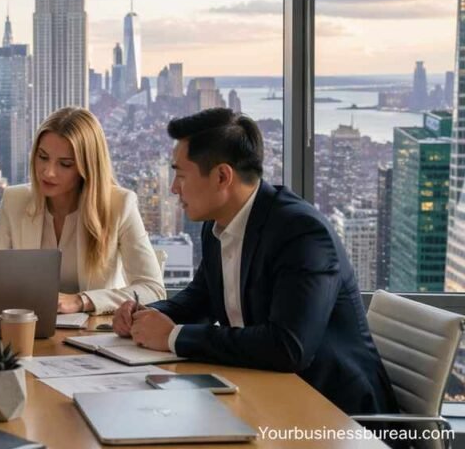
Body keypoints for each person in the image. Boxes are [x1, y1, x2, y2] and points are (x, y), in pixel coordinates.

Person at [112, 108, 397, 416]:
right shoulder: (216, 225)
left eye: (180, 175)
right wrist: (144, 315)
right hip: (267, 395)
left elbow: (288, 347)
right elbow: (198, 300)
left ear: (222, 176)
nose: (173, 188)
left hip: (336, 415)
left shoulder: (301, 233)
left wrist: (172, 336)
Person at [0, 107, 165, 313]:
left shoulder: (120, 204)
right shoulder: (14, 200)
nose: (48, 172)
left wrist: (81, 301)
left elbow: (153, 289)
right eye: (43, 157)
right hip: (29, 328)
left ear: (87, 168)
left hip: (94, 335)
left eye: (65, 164)